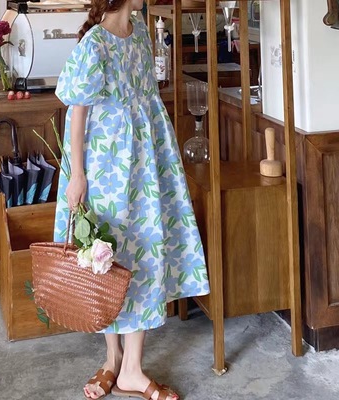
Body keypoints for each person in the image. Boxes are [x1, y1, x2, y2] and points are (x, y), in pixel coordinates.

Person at [54, 0, 210, 398]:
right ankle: (113, 359)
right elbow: (77, 112)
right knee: (106, 257)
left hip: (144, 164)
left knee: (143, 254)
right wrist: (77, 175)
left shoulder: (140, 29)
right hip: (105, 166)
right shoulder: (94, 43)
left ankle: (132, 369)